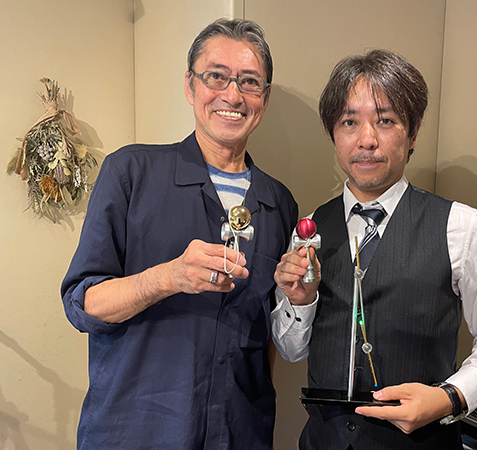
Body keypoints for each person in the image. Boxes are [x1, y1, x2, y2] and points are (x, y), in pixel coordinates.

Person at [271, 49, 477, 449]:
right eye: (349, 122)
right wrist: (301, 302)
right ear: (334, 135)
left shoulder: (464, 228)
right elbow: (291, 351)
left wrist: (449, 398)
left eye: (386, 120)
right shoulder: (309, 229)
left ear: (412, 132)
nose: (367, 140)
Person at [61, 18, 297, 450]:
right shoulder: (131, 172)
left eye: (249, 82)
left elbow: (268, 336)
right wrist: (168, 277)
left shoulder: (278, 203)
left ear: (263, 99)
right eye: (216, 76)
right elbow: (83, 304)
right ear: (190, 86)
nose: (232, 95)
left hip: (240, 432)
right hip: (135, 432)